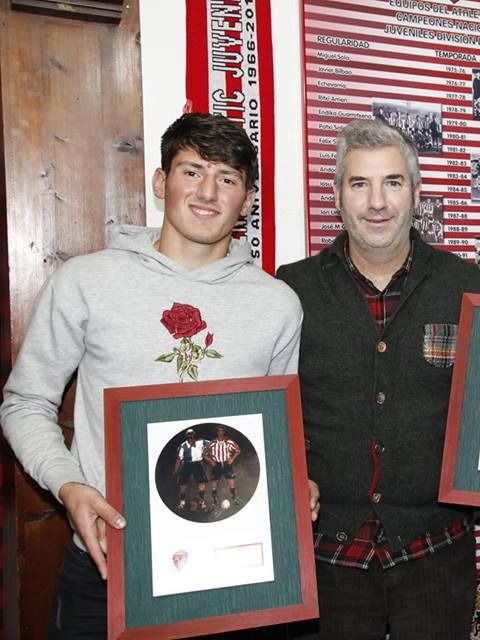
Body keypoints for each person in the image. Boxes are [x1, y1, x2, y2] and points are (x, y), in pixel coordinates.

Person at [0, 112, 308, 638]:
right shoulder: (85, 282)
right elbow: (25, 401)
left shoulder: (278, 305)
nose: (207, 192)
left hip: (233, 568)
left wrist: (294, 484)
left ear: (248, 200)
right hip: (108, 565)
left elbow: (278, 432)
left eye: (227, 178)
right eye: (192, 171)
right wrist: (68, 485)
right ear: (161, 182)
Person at [276, 118, 480, 639]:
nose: (377, 202)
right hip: (327, 557)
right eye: (359, 184)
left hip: (435, 551)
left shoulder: (464, 283)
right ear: (336, 196)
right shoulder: (292, 289)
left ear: (416, 194)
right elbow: (268, 408)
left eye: (392, 183)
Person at [204, 424, 242, 507]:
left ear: (224, 432)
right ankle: (215, 500)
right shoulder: (212, 443)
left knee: (231, 482)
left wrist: (232, 459)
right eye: (219, 431)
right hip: (217, 464)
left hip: (226, 463)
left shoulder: (229, 442)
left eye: (222, 431)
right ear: (217, 432)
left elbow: (238, 450)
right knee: (214, 484)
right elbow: (204, 454)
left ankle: (234, 498)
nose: (220, 432)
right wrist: (211, 461)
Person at [174, 428, 210, 510]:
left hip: (198, 464)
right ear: (186, 436)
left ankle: (202, 501)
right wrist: (176, 470)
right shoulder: (182, 446)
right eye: (189, 435)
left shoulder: (201, 442)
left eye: (192, 434)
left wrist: (206, 452)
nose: (190, 436)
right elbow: (179, 459)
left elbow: (213, 444)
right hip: (187, 464)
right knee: (183, 484)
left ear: (194, 435)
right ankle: (182, 502)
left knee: (201, 483)